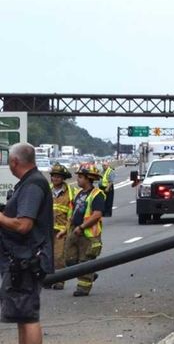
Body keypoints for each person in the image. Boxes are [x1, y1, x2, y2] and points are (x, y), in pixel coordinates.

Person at [0, 142, 53, 344]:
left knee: (28, 317)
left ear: (14, 161)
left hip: (27, 260)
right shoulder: (28, 182)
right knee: (21, 316)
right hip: (21, 259)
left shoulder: (32, 185)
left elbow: (24, 225)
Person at [61, 166, 105, 296]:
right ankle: (90, 273)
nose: (77, 179)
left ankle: (83, 288)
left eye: (80, 177)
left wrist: (82, 227)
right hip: (74, 231)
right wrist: (66, 230)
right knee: (69, 260)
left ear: (88, 178)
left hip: (88, 234)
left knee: (85, 261)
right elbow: (72, 213)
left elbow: (97, 215)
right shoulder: (78, 193)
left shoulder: (97, 194)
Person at [43, 165, 73, 291]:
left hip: (61, 230)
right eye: (53, 176)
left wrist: (66, 229)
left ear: (63, 178)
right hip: (46, 230)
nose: (55, 178)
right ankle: (48, 279)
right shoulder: (47, 191)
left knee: (59, 256)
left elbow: (72, 214)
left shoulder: (71, 193)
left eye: (58, 176)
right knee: (46, 256)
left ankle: (60, 280)